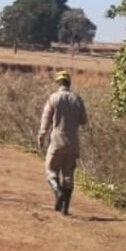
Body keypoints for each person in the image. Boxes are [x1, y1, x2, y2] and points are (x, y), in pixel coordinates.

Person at [39, 70, 88, 216]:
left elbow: (46, 119)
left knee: (50, 170)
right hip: (73, 143)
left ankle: (58, 191)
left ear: (58, 83)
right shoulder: (77, 99)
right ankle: (65, 208)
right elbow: (83, 120)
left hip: (56, 142)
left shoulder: (53, 98)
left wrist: (41, 135)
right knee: (68, 176)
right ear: (69, 83)